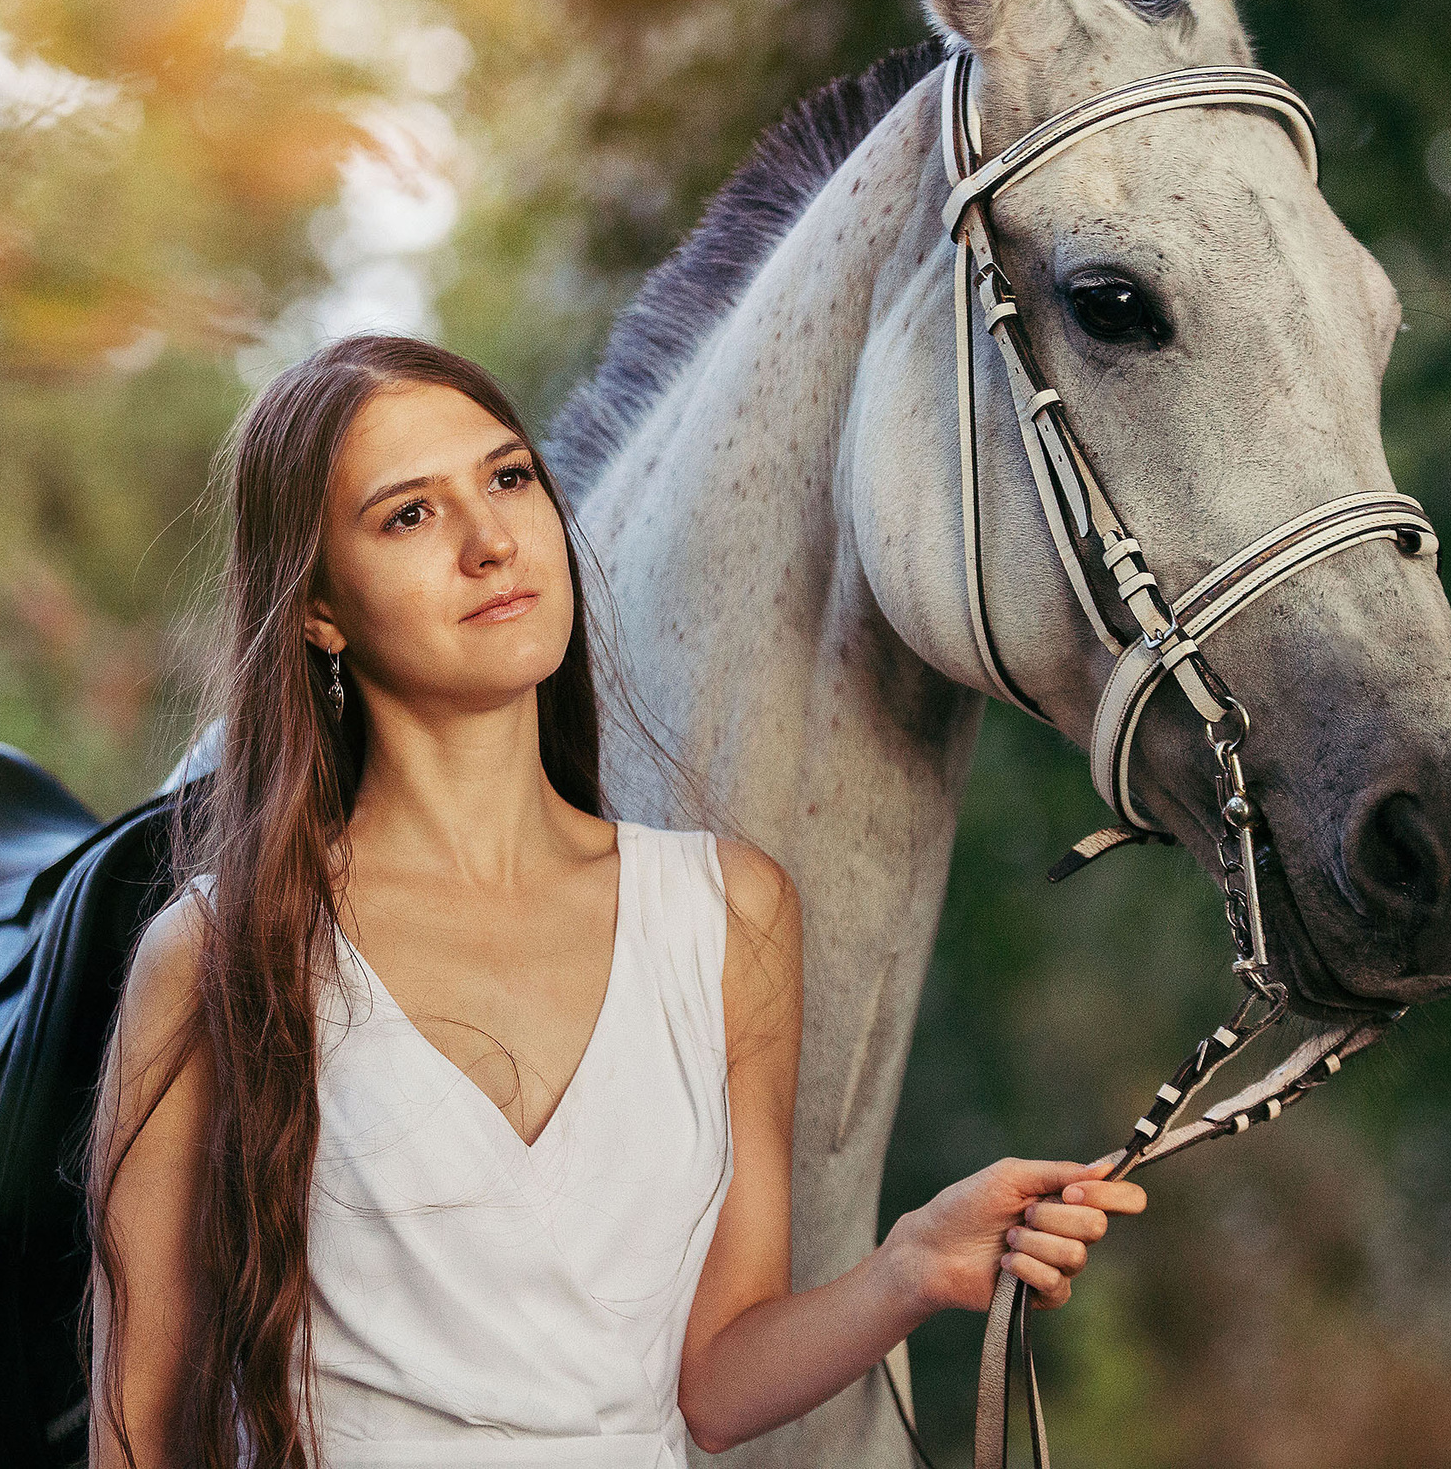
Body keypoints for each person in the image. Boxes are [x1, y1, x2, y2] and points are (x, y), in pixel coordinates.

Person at [86, 333, 1145, 1468]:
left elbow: (711, 1381)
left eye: (508, 478)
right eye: (410, 515)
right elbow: (137, 1423)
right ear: (318, 611)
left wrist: (905, 1271)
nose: (492, 542)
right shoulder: (222, 948)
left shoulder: (727, 915)